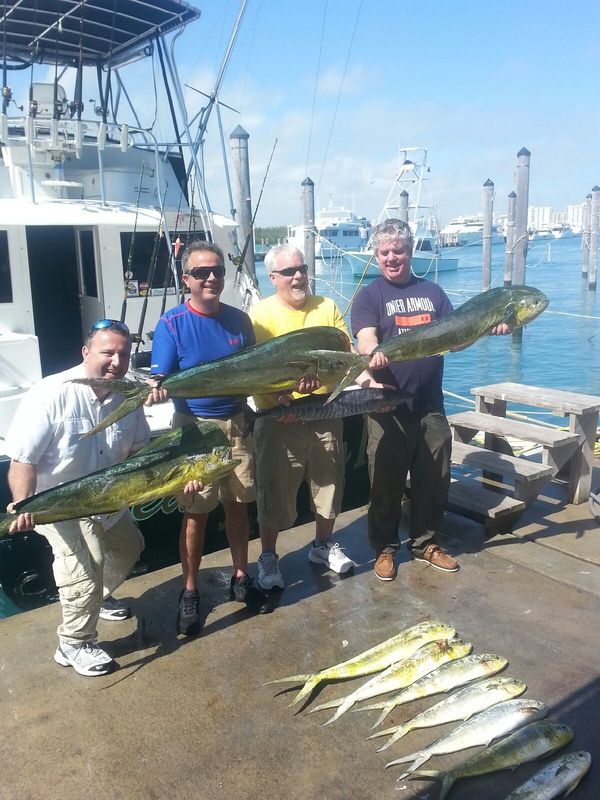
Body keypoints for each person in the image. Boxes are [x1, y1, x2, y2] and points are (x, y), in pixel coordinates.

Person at [3, 320, 188, 677]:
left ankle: (95, 599)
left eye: (123, 354)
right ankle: (73, 642)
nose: (116, 361)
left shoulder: (130, 394)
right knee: (83, 571)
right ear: (86, 352)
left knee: (129, 547)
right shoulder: (51, 393)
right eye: (108, 353)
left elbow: (139, 453)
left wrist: (178, 479)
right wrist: (22, 504)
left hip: (106, 501)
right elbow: (23, 460)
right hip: (58, 503)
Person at [351, 219, 511, 581]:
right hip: (387, 408)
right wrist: (373, 352)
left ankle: (426, 543)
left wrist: (487, 328)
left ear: (410, 252)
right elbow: (364, 337)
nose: (392, 257)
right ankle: (385, 548)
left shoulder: (434, 293)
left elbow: (456, 340)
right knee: (385, 484)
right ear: (376, 255)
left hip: (430, 406)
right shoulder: (370, 295)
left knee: (434, 480)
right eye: (385, 251)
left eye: (399, 251)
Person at [149, 240, 272, 636]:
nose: (211, 278)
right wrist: (154, 386)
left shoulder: (240, 321)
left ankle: (240, 578)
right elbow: (160, 377)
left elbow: (255, 374)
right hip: (193, 430)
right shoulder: (171, 323)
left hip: (237, 424)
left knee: (239, 505)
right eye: (201, 272)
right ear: (186, 279)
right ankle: (190, 591)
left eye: (217, 270)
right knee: (195, 512)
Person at [250, 244, 379, 591]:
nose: (298, 277)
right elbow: (259, 369)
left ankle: (321, 547)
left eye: (302, 269)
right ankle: (268, 556)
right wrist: (285, 397)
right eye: (289, 272)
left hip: (324, 410)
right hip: (278, 417)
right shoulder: (259, 315)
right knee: (275, 493)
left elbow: (346, 354)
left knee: (330, 484)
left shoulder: (328, 306)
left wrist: (368, 380)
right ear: (273, 278)